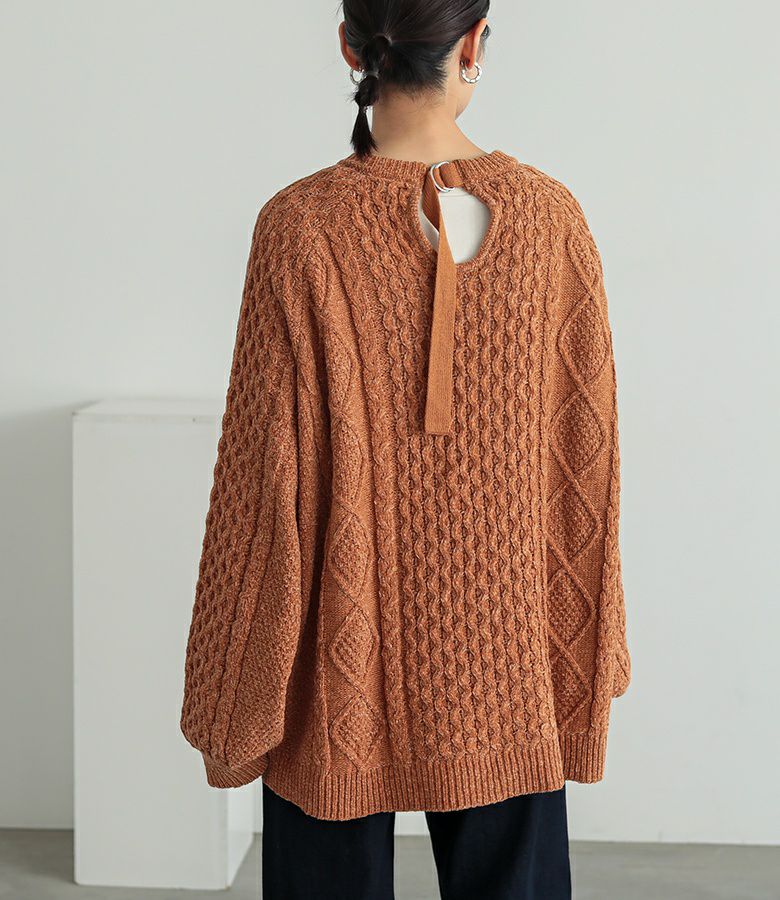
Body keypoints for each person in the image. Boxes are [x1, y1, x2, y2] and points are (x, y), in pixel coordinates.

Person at [179, 1, 632, 897]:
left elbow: (263, 483)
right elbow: (584, 464)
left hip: (336, 665)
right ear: (473, 43)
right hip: (509, 658)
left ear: (351, 47)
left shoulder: (299, 226)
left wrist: (231, 688)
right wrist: (583, 648)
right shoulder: (552, 220)